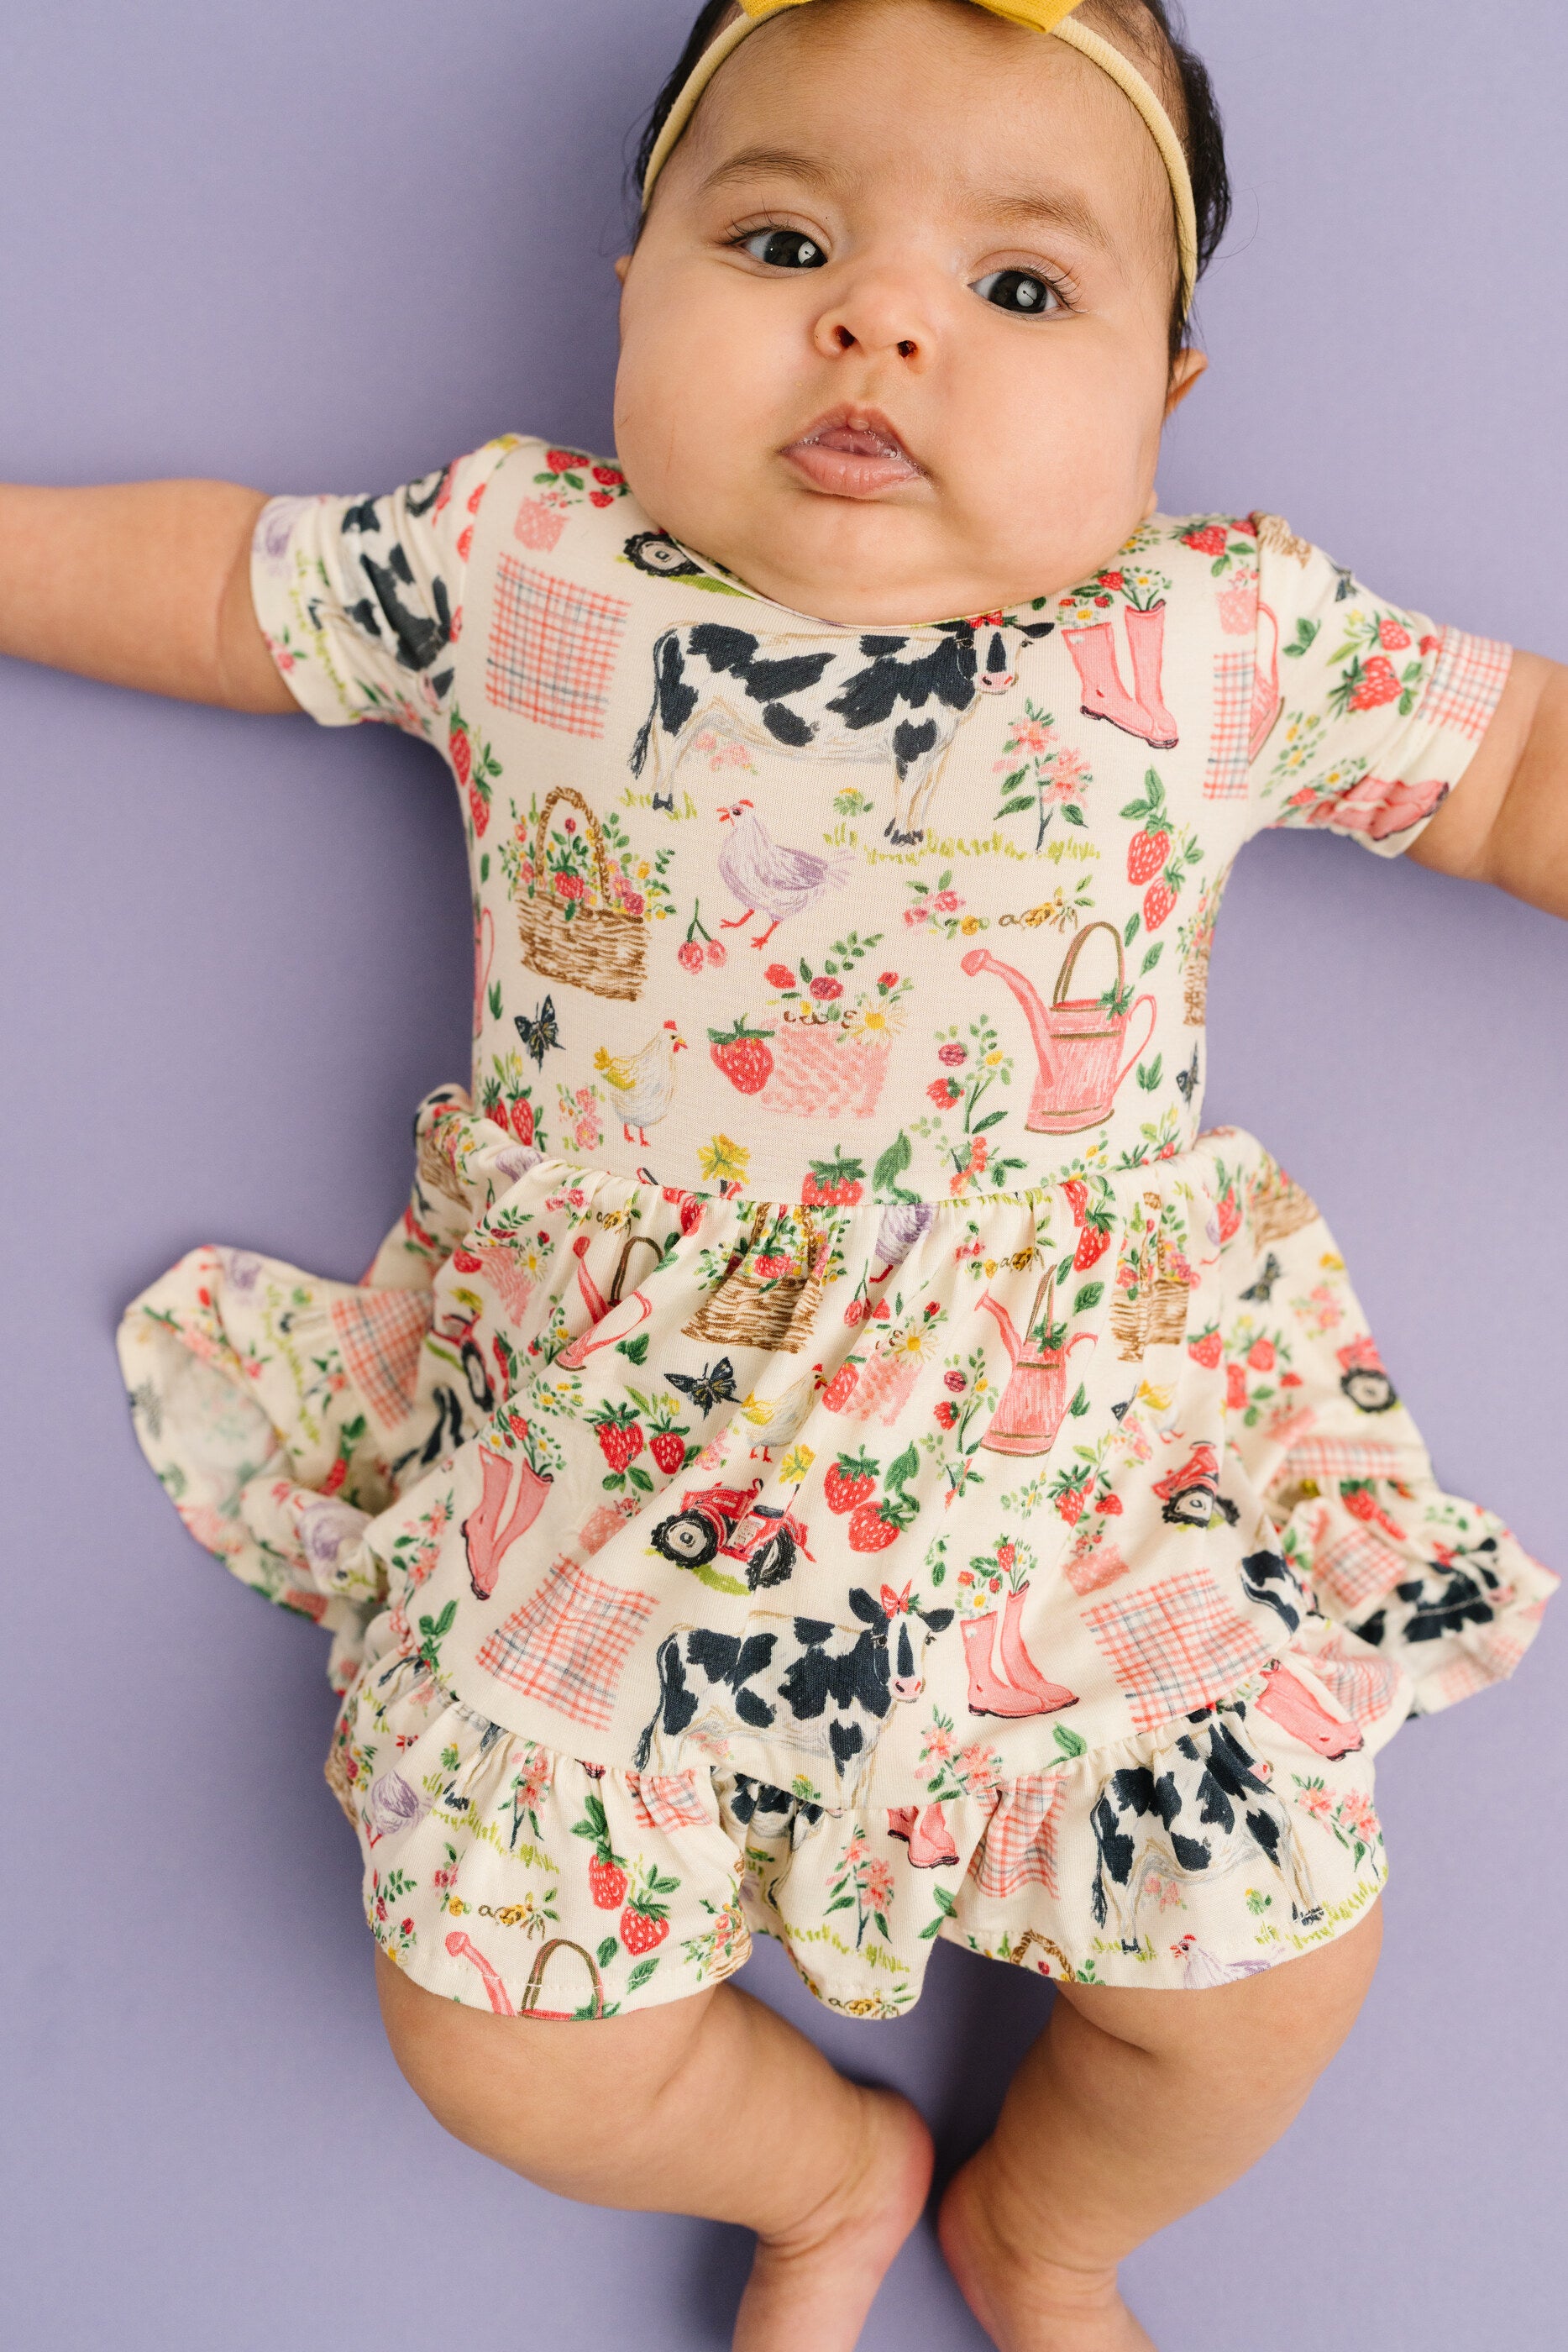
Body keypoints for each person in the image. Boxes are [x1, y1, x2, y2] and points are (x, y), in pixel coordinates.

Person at [3, 4, 1563, 2346]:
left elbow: (1516, 763)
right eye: (780, 242)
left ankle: (1047, 2231)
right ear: (629, 282)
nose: (881, 323)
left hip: (1066, 1510)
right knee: (496, 2037)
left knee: (1270, 1979)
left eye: (1018, 286)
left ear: (1163, 397)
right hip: (607, 1506)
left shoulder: (1211, 636)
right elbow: (222, 585)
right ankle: (823, 2171)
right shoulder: (526, 568)